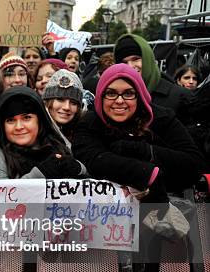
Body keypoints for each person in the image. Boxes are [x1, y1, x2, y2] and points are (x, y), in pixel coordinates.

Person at [72, 64, 204, 213]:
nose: (119, 100)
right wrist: (147, 173)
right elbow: (94, 158)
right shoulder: (89, 123)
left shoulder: (161, 118)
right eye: (111, 93)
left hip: (163, 214)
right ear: (101, 97)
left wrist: (146, 151)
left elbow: (193, 164)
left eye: (128, 93)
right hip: (105, 217)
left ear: (139, 96)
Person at [0, 86, 85, 179]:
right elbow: (1, 192)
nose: (19, 127)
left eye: (26, 118)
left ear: (39, 120)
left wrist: (79, 168)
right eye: (10, 120)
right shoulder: (0, 156)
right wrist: (39, 174)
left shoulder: (59, 147)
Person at [113, 34, 189, 121]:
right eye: (124, 62)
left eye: (136, 59)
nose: (130, 66)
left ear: (147, 59)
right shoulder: (115, 98)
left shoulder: (180, 96)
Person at [42, 69, 84, 141]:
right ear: (48, 101)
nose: (67, 107)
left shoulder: (80, 133)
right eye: (60, 99)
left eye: (73, 103)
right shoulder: (38, 134)